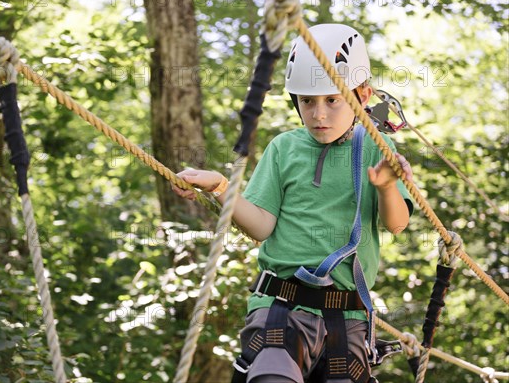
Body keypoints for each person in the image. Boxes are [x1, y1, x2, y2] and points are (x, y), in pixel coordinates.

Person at [172, 24, 413, 383]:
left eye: (332, 100)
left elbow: (397, 224)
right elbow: (261, 226)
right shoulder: (285, 148)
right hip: (283, 308)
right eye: (307, 101)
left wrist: (385, 187)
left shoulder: (379, 149)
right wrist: (221, 187)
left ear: (362, 96)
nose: (318, 114)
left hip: (347, 317)